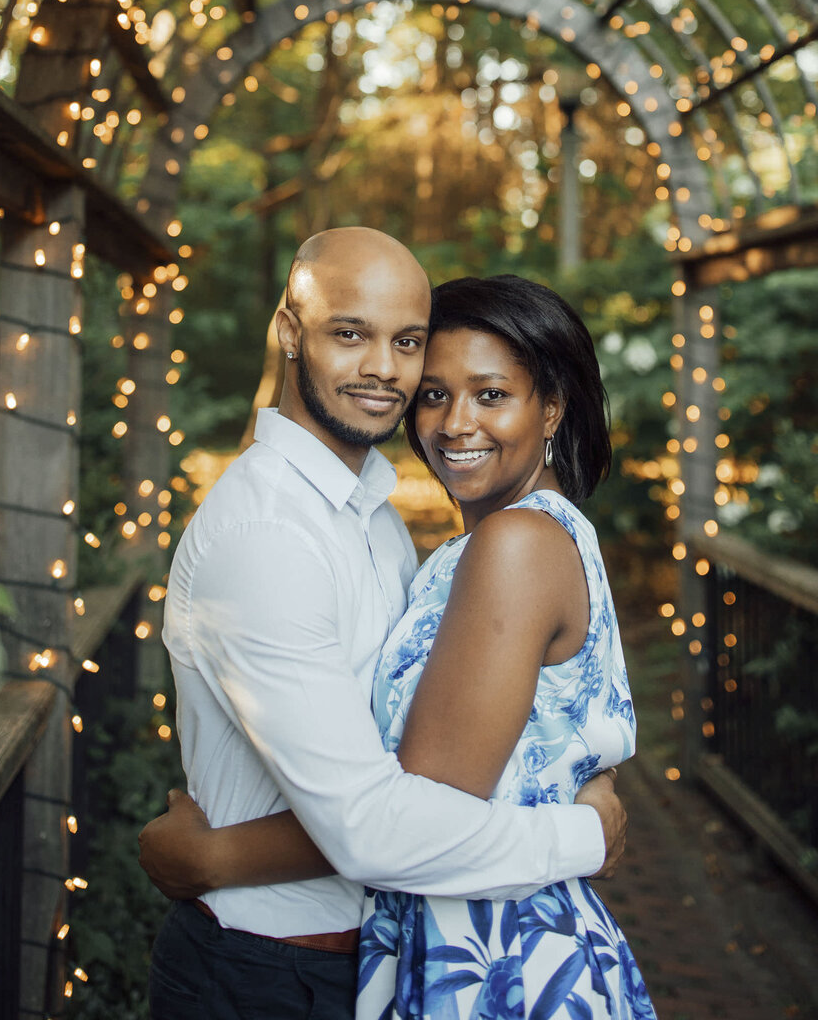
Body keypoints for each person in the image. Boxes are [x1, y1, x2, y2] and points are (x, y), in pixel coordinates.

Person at [142, 267, 655, 1020]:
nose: (454, 424)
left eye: (491, 394)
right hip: (458, 941)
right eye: (436, 394)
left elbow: (412, 810)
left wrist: (209, 856)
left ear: (551, 409)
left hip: (498, 962)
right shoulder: (501, 537)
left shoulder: (514, 543)